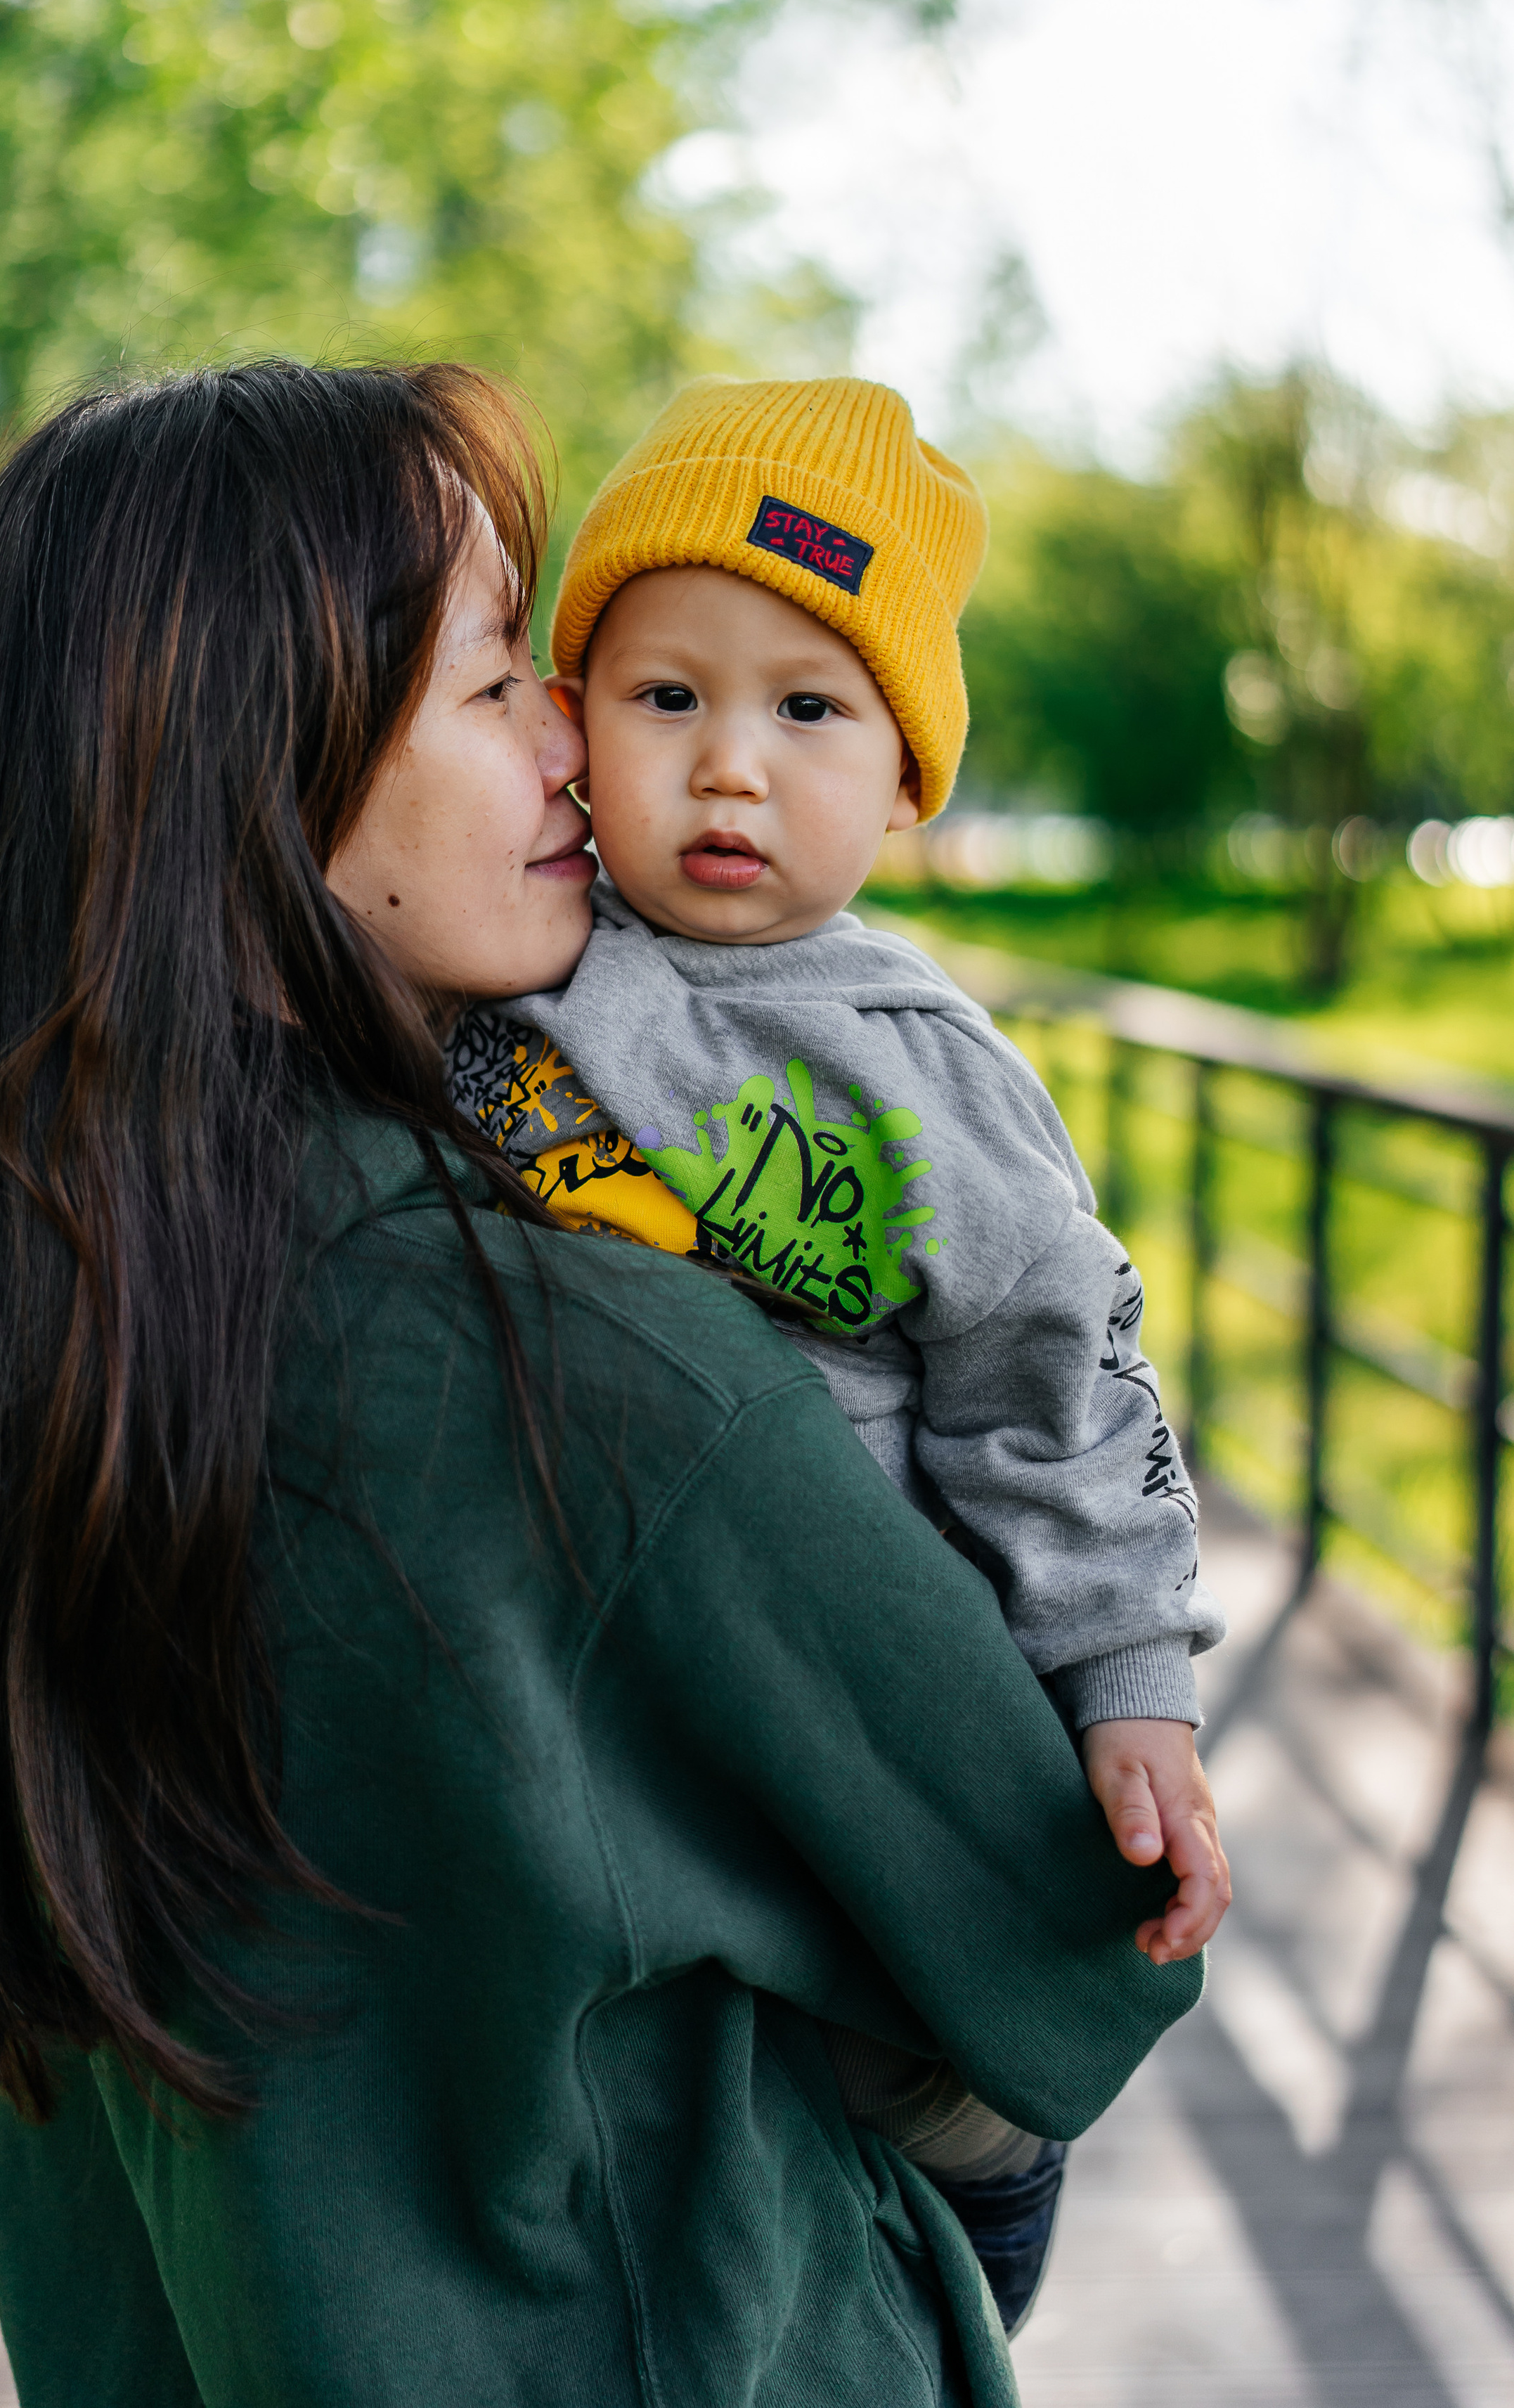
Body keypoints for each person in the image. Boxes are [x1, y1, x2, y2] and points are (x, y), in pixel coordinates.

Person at [0, 360, 1204, 2408]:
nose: (581, 747)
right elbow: (1063, 1951)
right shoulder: (590, 1376)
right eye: (508, 678)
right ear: (258, 757)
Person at [448, 376, 1233, 2310]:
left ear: (902, 782)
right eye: (668, 698)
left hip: (890, 1769)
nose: (730, 768)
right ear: (569, 722)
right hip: (657, 1777)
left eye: (809, 710)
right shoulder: (510, 960)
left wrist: (1131, 1680)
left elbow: (1063, 1386)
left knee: (940, 2184)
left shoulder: (914, 1073)